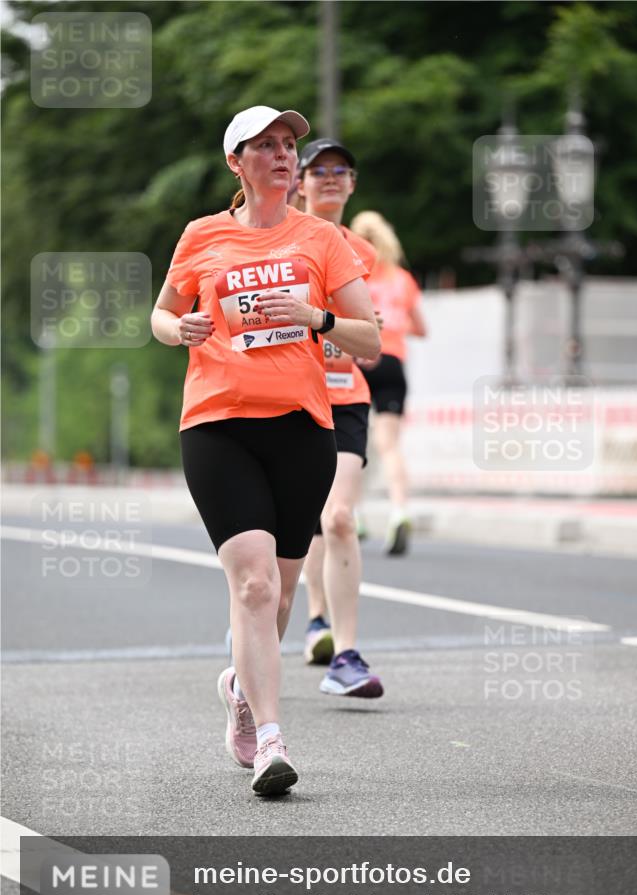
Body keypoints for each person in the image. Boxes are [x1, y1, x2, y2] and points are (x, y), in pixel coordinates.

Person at [151, 107, 380, 796]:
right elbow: (161, 314)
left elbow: (368, 338)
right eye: (266, 146)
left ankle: (242, 689)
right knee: (251, 582)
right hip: (217, 423)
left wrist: (317, 318)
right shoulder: (202, 236)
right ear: (236, 162)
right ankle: (271, 742)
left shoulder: (322, 239)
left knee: (278, 590)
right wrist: (179, 328)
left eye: (289, 146)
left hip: (302, 428)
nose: (283, 156)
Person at [295, 138, 383, 698]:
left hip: (345, 394)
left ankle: (343, 654)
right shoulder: (274, 238)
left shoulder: (360, 253)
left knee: (340, 518)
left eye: (341, 170)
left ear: (352, 184)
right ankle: (309, 616)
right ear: (299, 181)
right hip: (287, 397)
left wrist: (343, 330)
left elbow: (368, 340)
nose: (330, 178)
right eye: (318, 169)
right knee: (298, 524)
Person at [349, 211, 427, 556]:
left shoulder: (355, 275)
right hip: (393, 362)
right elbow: (421, 328)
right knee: (389, 445)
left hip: (357, 361)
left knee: (353, 444)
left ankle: (354, 513)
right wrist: (396, 326)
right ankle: (399, 511)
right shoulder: (403, 280)